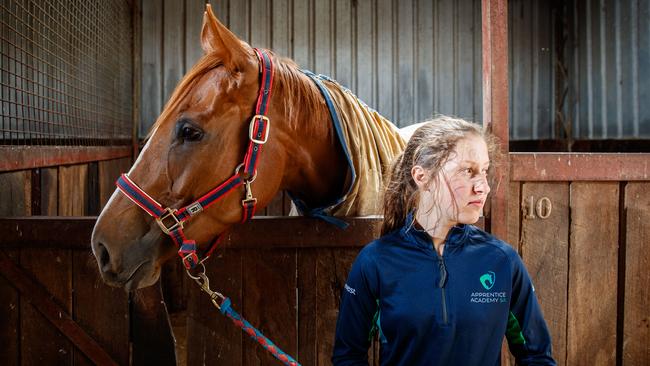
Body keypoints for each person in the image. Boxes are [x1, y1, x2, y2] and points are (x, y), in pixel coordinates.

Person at [332, 116, 556, 365]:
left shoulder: (502, 261)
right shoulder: (375, 262)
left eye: (484, 171)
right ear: (422, 176)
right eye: (467, 171)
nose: (483, 186)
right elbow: (348, 356)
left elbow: (537, 356)